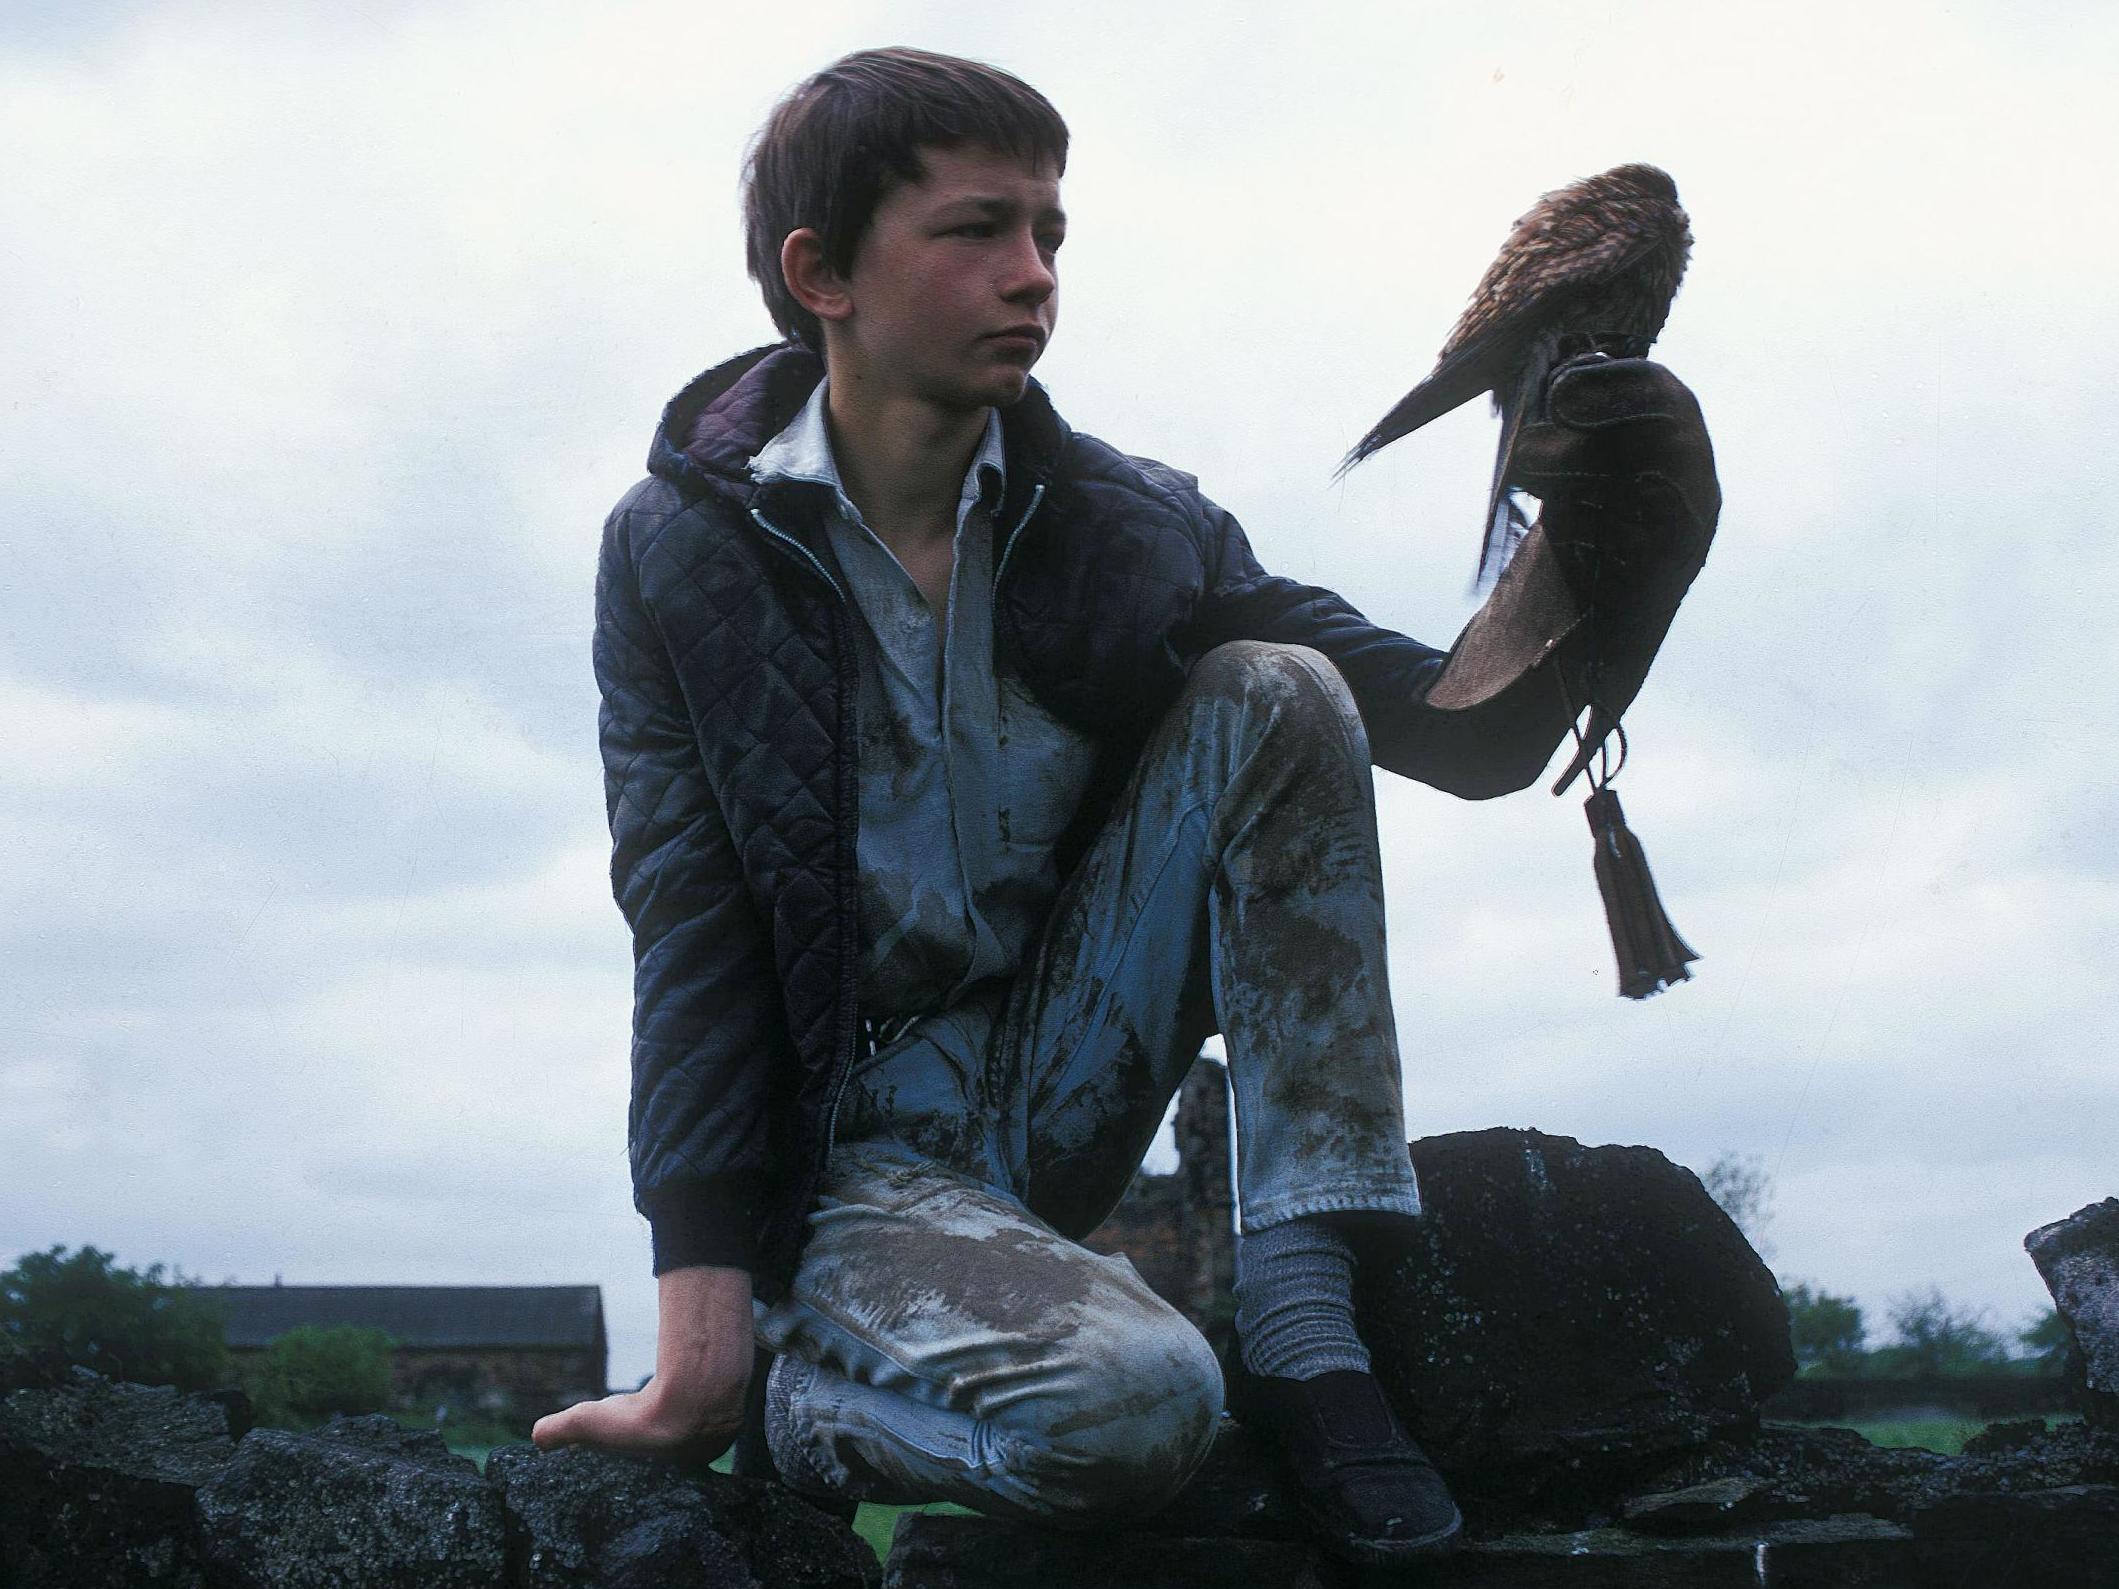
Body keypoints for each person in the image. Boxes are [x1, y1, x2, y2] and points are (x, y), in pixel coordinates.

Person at [533, 46, 1719, 1566]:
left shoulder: (1132, 524)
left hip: (1053, 1081)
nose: (1033, 275)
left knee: (1282, 690)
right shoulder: (680, 554)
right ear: (818, 269)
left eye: (1052, 232)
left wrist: (1615, 543)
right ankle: (801, 1398)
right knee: (1139, 1408)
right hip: (842, 1158)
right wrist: (699, 1346)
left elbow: (1466, 735)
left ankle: (1305, 1331)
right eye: (976, 229)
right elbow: (687, 931)